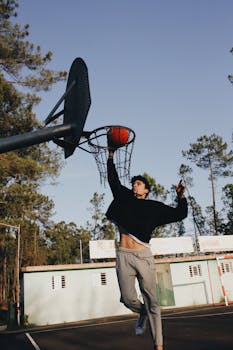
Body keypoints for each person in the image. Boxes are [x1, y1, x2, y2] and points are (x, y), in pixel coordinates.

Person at [106, 148, 188, 350]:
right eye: (134, 182)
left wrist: (181, 197)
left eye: (139, 183)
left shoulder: (154, 208)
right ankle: (142, 312)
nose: (135, 185)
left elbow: (179, 214)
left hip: (143, 256)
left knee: (153, 301)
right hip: (124, 255)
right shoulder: (124, 198)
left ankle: (158, 345)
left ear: (146, 190)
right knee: (127, 299)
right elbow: (113, 180)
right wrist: (110, 157)